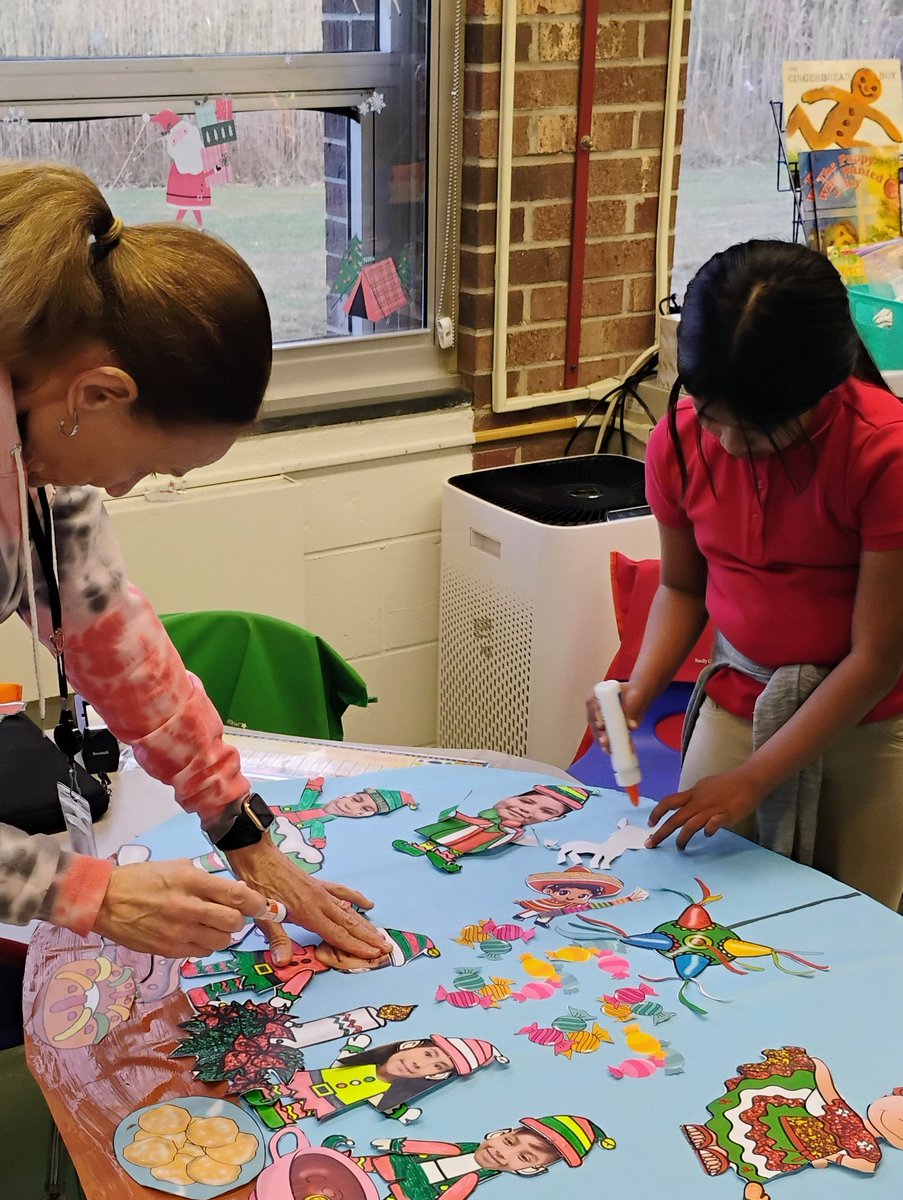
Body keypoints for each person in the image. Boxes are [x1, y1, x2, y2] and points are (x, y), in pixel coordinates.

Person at [0, 160, 387, 965]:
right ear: (98, 394)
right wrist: (89, 894)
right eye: (148, 467)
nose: (121, 489)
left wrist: (238, 826)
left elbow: (110, 634)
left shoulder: (43, 435)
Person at [587, 239, 903, 909]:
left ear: (821, 386)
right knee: (696, 907)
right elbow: (683, 587)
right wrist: (640, 687)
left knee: (856, 927)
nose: (730, 445)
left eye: (759, 433)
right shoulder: (678, 441)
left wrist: (755, 779)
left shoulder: (884, 455)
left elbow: (875, 659)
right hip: (739, 702)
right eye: (712, 417)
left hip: (868, 723)